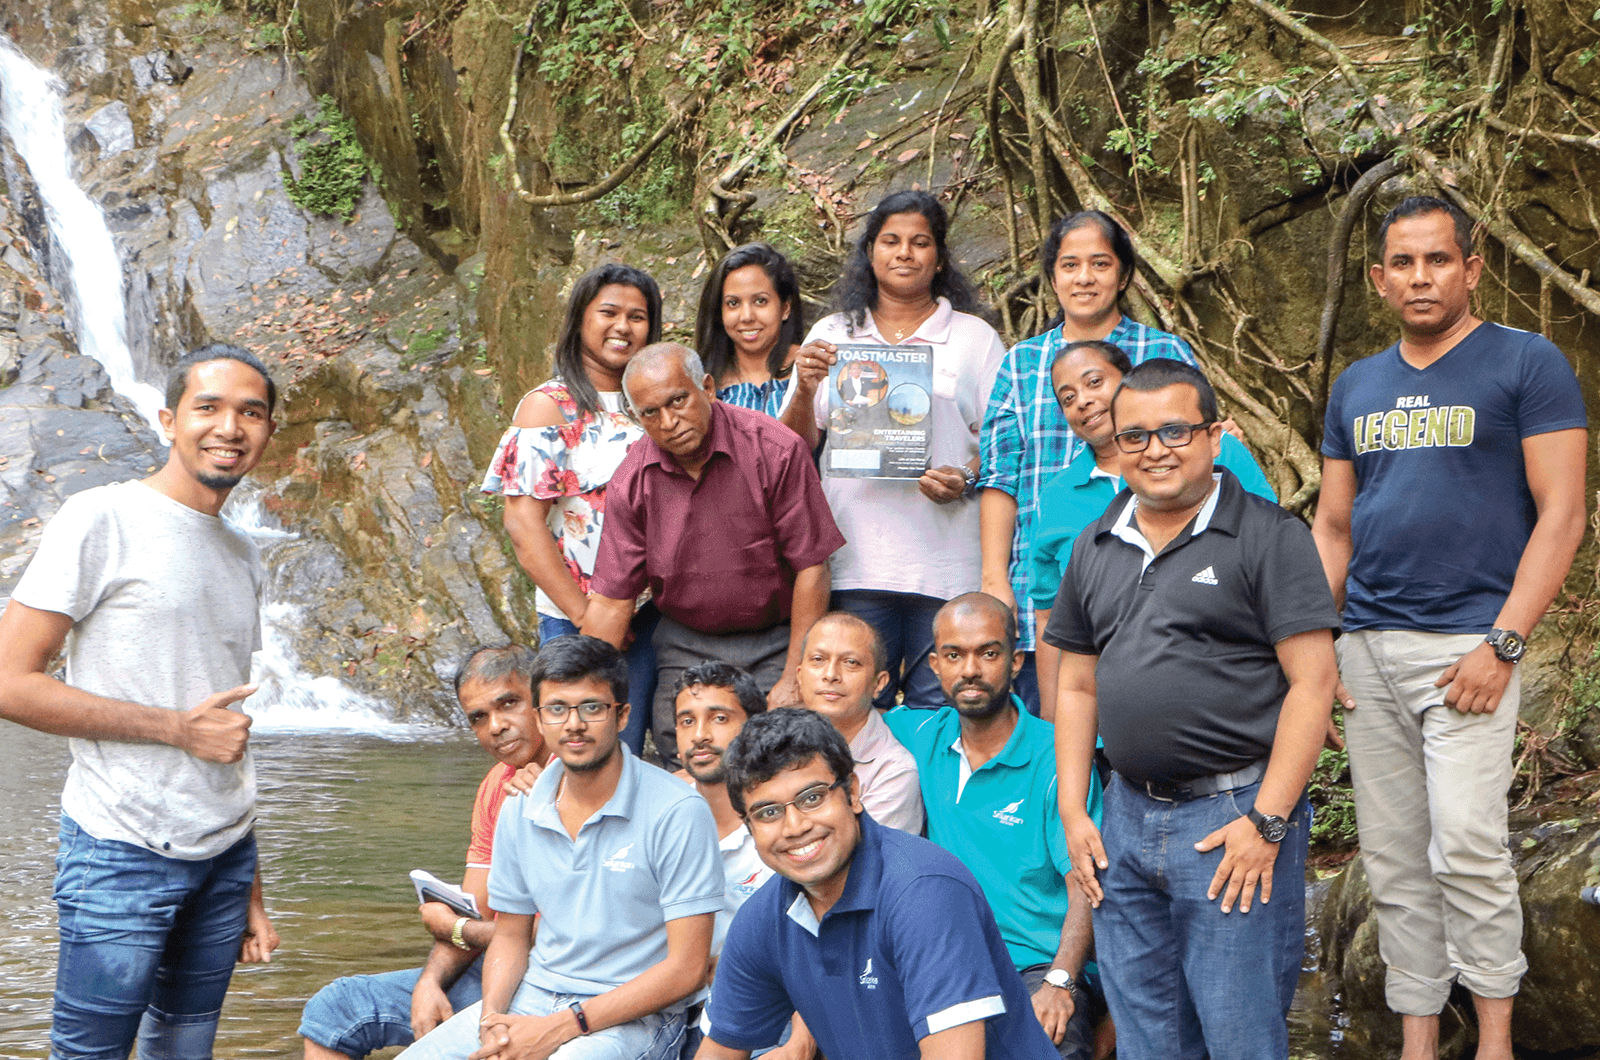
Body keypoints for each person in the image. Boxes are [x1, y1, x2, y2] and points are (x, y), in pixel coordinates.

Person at [1311, 195, 1588, 1060]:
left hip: (1469, 647)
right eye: (1404, 262)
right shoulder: (1356, 384)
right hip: (1367, 648)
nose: (1421, 276)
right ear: (1378, 278)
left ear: (1472, 268)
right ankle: (1419, 1043)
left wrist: (1504, 644)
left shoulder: (1526, 363)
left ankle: (1498, 1042)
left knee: (1467, 845)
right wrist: (1320, 649)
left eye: (1439, 260)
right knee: (1394, 863)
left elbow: (1564, 512)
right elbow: (1332, 526)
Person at [1048, 359, 1341, 1060]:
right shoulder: (1096, 542)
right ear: (1114, 448)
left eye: (1175, 431)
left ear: (1214, 437)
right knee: (1150, 1032)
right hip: (1123, 815)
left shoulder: (1269, 536)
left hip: (1232, 818)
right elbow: (1077, 686)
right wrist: (1073, 808)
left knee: (1240, 1032)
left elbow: (1313, 683)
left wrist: (1267, 823)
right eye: (1136, 435)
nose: (1156, 449)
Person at [0, 343, 282, 1060]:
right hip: (120, 850)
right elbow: (10, 680)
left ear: (267, 432)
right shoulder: (102, 518)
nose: (230, 428)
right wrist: (175, 729)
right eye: (209, 408)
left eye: (251, 413)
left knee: (184, 1051)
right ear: (167, 420)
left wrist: (248, 877)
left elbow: (226, 723)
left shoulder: (245, 555)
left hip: (223, 858)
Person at [398, 635, 724, 1060]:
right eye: (556, 709)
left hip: (635, 1016)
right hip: (532, 995)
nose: (573, 724)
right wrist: (492, 1023)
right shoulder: (519, 807)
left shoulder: (678, 811)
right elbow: (512, 937)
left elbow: (687, 969)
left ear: (622, 714)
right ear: (539, 717)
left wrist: (562, 1028)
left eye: (591, 707)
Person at [695, 707, 1059, 1060]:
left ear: (852, 793)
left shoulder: (924, 892)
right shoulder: (763, 918)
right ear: (749, 828)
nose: (795, 827)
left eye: (812, 798)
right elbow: (718, 1052)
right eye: (769, 812)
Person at [779, 190, 1006, 710]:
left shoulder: (975, 339)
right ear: (870, 252)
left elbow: (998, 444)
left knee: (940, 715)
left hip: (946, 564)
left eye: (920, 242)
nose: (905, 253)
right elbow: (792, 446)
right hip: (856, 559)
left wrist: (965, 478)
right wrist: (810, 386)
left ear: (940, 258)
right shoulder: (833, 334)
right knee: (852, 711)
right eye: (891, 241)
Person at [581, 343, 845, 765]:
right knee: (685, 758)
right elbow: (613, 602)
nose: (669, 422)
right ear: (636, 417)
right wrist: (577, 693)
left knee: (775, 757)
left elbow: (812, 568)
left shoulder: (774, 449)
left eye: (678, 401)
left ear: (707, 388)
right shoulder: (632, 481)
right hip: (685, 641)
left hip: (775, 637)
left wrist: (796, 672)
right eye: (651, 413)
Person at [979, 211, 1196, 713]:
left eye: (1100, 263)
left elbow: (1196, 453)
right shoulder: (1021, 363)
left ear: (1122, 275)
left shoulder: (1163, 351)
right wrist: (995, 583)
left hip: (1157, 586)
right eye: (1069, 264)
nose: (1084, 277)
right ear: (1052, 277)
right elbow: (999, 477)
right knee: (1058, 735)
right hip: (1047, 587)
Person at [299, 644, 549, 1059]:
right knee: (335, 1009)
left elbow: (578, 936)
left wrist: (455, 929)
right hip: (493, 969)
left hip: (552, 984)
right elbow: (478, 908)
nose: (497, 726)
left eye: (509, 703)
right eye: (479, 718)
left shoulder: (576, 776)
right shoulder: (495, 786)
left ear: (541, 698)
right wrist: (430, 982)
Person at [885, 592, 1105, 1059]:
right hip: (947, 960)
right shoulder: (919, 735)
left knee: (1054, 1043)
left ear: (1015, 661)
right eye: (953, 655)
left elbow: (1084, 882)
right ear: (935, 666)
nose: (970, 669)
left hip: (1037, 963)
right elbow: (844, 722)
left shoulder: (1057, 755)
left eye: (988, 652)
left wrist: (1060, 980)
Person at [1029, 339, 1277, 719]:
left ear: (1128, 385)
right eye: (1067, 397)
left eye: (1094, 382)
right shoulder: (1059, 497)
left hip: (1229, 701)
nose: (1082, 400)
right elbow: (1049, 615)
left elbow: (1275, 559)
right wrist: (1051, 721)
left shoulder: (1217, 452)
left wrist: (1300, 677)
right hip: (1102, 715)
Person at [484, 263, 664, 756]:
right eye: (608, 312)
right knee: (593, 756)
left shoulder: (656, 403)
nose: (622, 327)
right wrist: (587, 618)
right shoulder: (550, 407)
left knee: (668, 754)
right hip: (578, 615)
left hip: (660, 615)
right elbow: (523, 525)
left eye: (638, 316)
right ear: (580, 319)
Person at [669, 662, 789, 1058]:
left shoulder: (786, 821)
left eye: (719, 718)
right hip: (667, 999)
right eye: (687, 721)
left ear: (754, 726)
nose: (700, 735)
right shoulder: (661, 808)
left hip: (764, 1008)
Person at [796, 612, 924, 834]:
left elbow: (864, 858)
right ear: (799, 676)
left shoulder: (894, 770)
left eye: (850, 662)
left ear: (879, 683)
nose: (830, 674)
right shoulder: (776, 745)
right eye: (818, 660)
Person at [694, 243, 815, 418]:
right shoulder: (700, 382)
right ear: (719, 312)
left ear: (785, 308)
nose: (747, 317)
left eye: (760, 301)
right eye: (733, 303)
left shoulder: (812, 370)